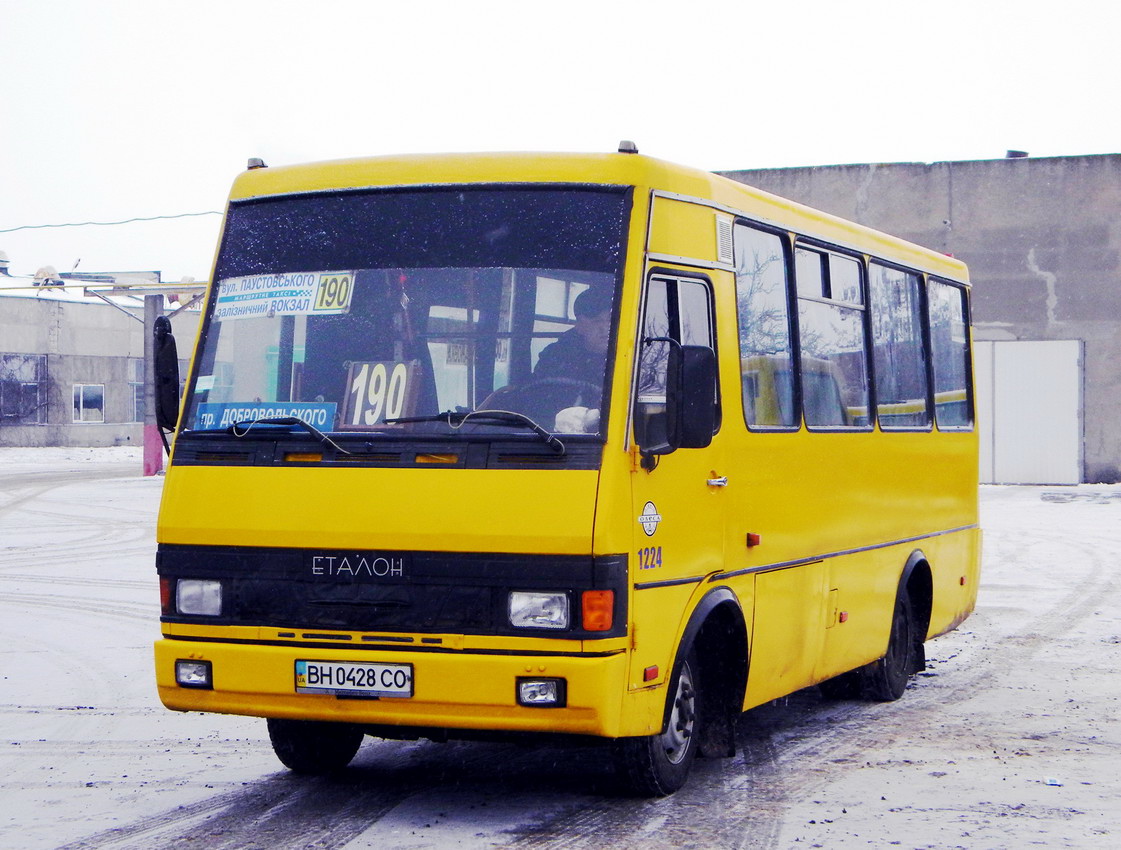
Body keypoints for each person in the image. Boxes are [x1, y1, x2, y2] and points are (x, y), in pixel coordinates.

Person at [533, 287, 612, 386]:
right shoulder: (554, 357)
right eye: (596, 321)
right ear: (579, 326)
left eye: (610, 320)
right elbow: (537, 392)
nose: (605, 328)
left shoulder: (630, 357)